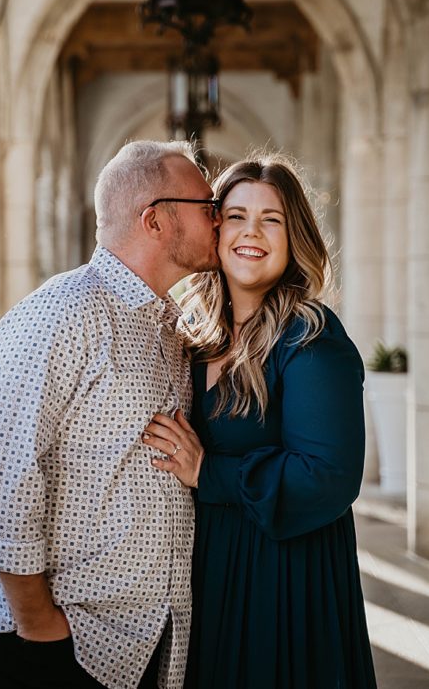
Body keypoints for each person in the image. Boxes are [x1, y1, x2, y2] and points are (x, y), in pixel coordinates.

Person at [0, 140, 221, 689]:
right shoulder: (59, 312)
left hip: (143, 640)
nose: (218, 218)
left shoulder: (169, 326)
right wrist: (39, 626)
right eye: (207, 205)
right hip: (55, 648)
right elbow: (2, 479)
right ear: (155, 220)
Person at [143, 154, 378, 688]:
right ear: (215, 227)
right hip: (210, 569)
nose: (252, 233)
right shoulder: (196, 336)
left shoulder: (311, 338)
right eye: (237, 216)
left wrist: (210, 473)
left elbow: (329, 476)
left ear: (293, 236)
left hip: (284, 577)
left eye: (271, 219)